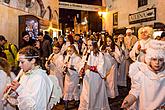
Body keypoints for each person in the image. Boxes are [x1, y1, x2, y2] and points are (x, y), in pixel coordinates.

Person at [121, 40, 165, 110]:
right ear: (149, 59)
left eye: (160, 60)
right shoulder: (142, 74)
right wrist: (128, 101)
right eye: (154, 59)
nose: (157, 62)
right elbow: (135, 92)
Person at [78, 39, 110, 110]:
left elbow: (101, 67)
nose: (89, 47)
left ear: (94, 45)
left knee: (95, 93)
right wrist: (81, 69)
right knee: (86, 93)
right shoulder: (86, 53)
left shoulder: (99, 54)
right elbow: (82, 63)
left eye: (90, 45)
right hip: (87, 77)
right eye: (87, 45)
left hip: (96, 78)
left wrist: (90, 67)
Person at [63, 45, 81, 110]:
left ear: (74, 50)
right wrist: (64, 67)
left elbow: (78, 68)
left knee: (74, 89)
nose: (69, 52)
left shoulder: (78, 58)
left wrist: (70, 66)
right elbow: (64, 64)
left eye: (70, 51)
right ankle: (66, 104)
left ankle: (77, 101)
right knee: (66, 89)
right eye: (68, 51)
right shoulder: (67, 57)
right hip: (68, 76)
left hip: (74, 76)